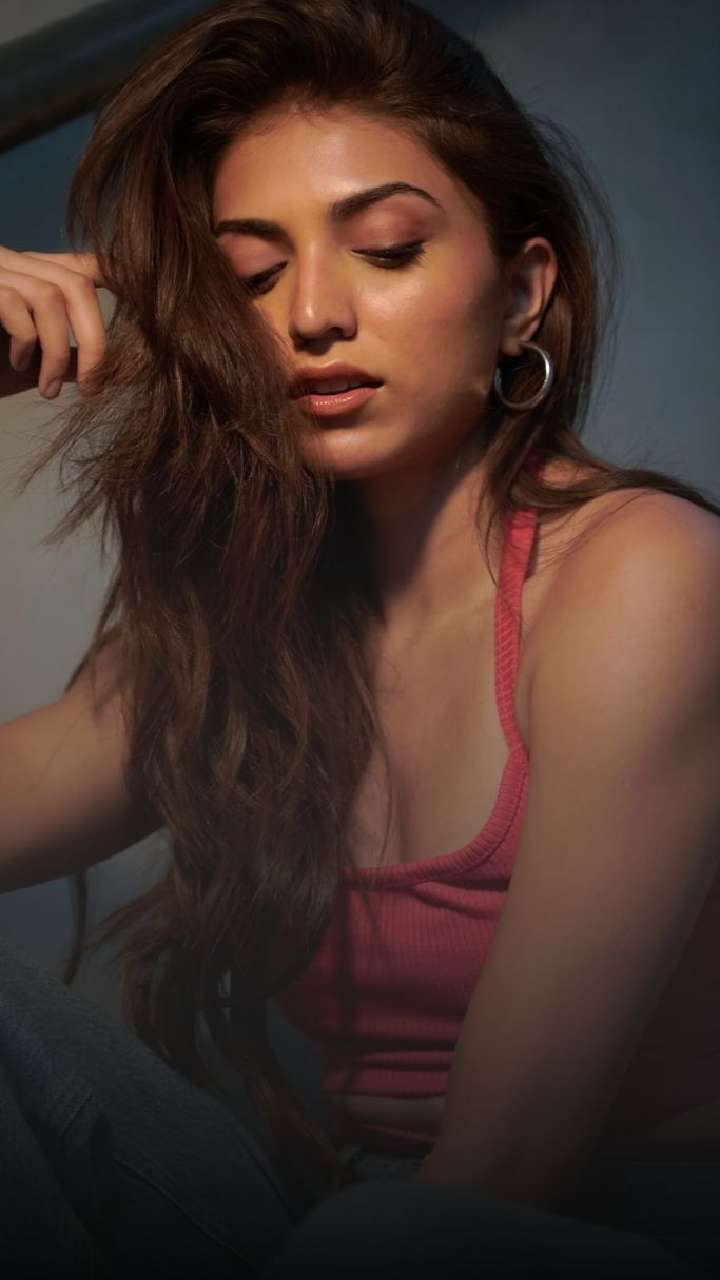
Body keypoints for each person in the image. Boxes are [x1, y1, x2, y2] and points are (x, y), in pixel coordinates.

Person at [1, 0, 719, 1274]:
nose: (313, 314)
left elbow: (503, 1171)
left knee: (388, 1231)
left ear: (521, 293)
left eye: (387, 249)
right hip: (343, 1226)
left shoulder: (643, 576)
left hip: (591, 1227)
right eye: (251, 277)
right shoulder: (236, 624)